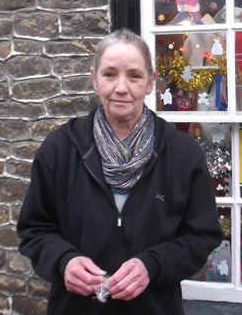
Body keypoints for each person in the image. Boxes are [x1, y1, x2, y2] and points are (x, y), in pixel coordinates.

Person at [17, 29, 222, 315]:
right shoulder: (59, 149)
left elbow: (202, 237)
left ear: (150, 82)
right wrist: (63, 261)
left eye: (134, 76)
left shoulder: (182, 154)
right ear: (94, 78)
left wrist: (152, 265)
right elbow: (34, 230)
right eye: (110, 74)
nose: (121, 87)